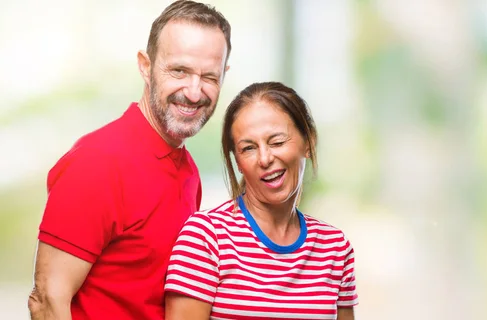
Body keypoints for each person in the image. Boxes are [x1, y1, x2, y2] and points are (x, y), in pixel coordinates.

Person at [27, 1, 231, 319]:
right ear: (145, 66)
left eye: (209, 77)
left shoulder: (188, 170)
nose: (194, 92)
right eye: (179, 70)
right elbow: (47, 299)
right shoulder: (98, 162)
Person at [163, 82, 359, 320]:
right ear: (238, 163)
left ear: (308, 142)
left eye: (277, 142)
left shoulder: (335, 249)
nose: (265, 159)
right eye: (249, 148)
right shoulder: (205, 238)